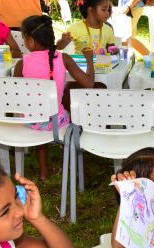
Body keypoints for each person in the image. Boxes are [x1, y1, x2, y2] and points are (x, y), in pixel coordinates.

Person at [13, 15, 94, 181]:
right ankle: (74, 159)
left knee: (39, 114)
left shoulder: (22, 63)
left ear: (30, 41)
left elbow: (17, 94)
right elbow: (89, 84)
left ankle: (44, 171)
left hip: (29, 120)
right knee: (67, 112)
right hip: (55, 123)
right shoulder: (64, 58)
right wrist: (89, 61)